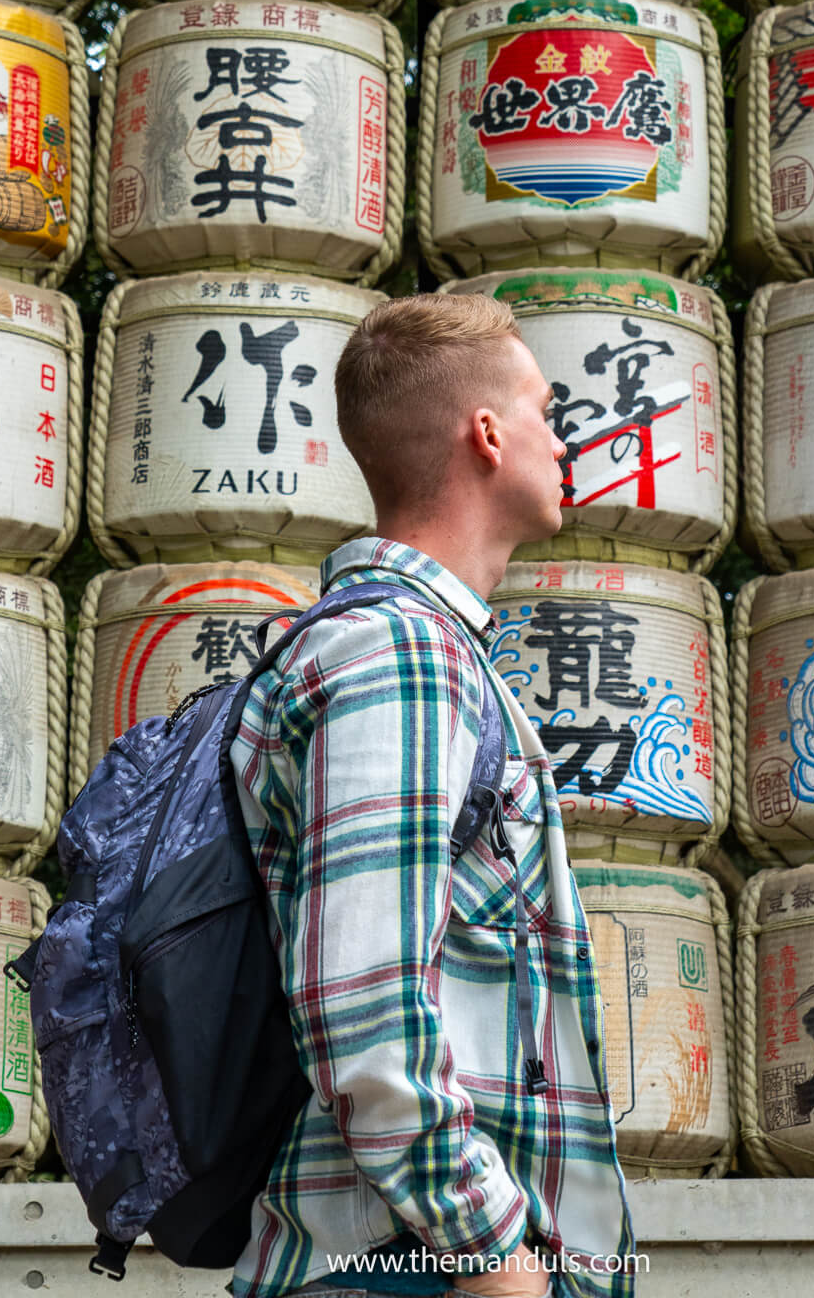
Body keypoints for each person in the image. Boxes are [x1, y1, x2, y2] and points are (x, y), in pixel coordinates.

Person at [231, 292, 636, 1298]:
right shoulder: (399, 655)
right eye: (544, 411)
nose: (562, 440)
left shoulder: (410, 648)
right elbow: (362, 1000)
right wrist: (488, 1249)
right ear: (487, 435)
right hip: (406, 1266)